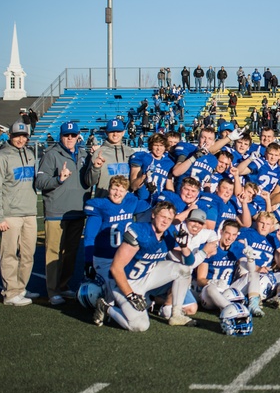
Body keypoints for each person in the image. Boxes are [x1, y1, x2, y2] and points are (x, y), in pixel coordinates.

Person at [97, 202, 198, 330]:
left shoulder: (169, 233)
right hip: (125, 282)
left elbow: (188, 262)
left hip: (146, 276)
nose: (165, 221)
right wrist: (130, 294)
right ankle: (106, 308)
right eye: (162, 216)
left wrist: (184, 247)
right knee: (140, 326)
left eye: (169, 218)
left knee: (183, 270)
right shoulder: (141, 232)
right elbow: (115, 268)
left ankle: (176, 314)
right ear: (153, 215)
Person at [35, 121, 93, 305]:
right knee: (54, 253)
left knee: (70, 252)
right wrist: (58, 180)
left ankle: (64, 284)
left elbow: (90, 179)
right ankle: (53, 291)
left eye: (73, 135)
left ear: (78, 137)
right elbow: (40, 182)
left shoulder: (84, 154)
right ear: (60, 136)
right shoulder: (51, 155)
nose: (70, 138)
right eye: (67, 135)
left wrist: (96, 165)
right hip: (56, 211)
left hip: (77, 210)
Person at [0, 120, 38, 306]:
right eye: (17, 135)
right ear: (10, 135)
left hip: (29, 212)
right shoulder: (1, 157)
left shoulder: (31, 154)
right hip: (10, 214)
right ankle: (10, 293)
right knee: (9, 254)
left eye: (23, 136)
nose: (20, 139)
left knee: (28, 255)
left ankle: (21, 288)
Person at [81, 118, 132, 198]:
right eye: (112, 131)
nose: (115, 134)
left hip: (126, 204)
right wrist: (95, 168)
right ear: (106, 132)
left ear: (123, 132)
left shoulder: (131, 153)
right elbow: (89, 182)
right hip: (104, 201)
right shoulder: (99, 153)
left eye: (118, 131)